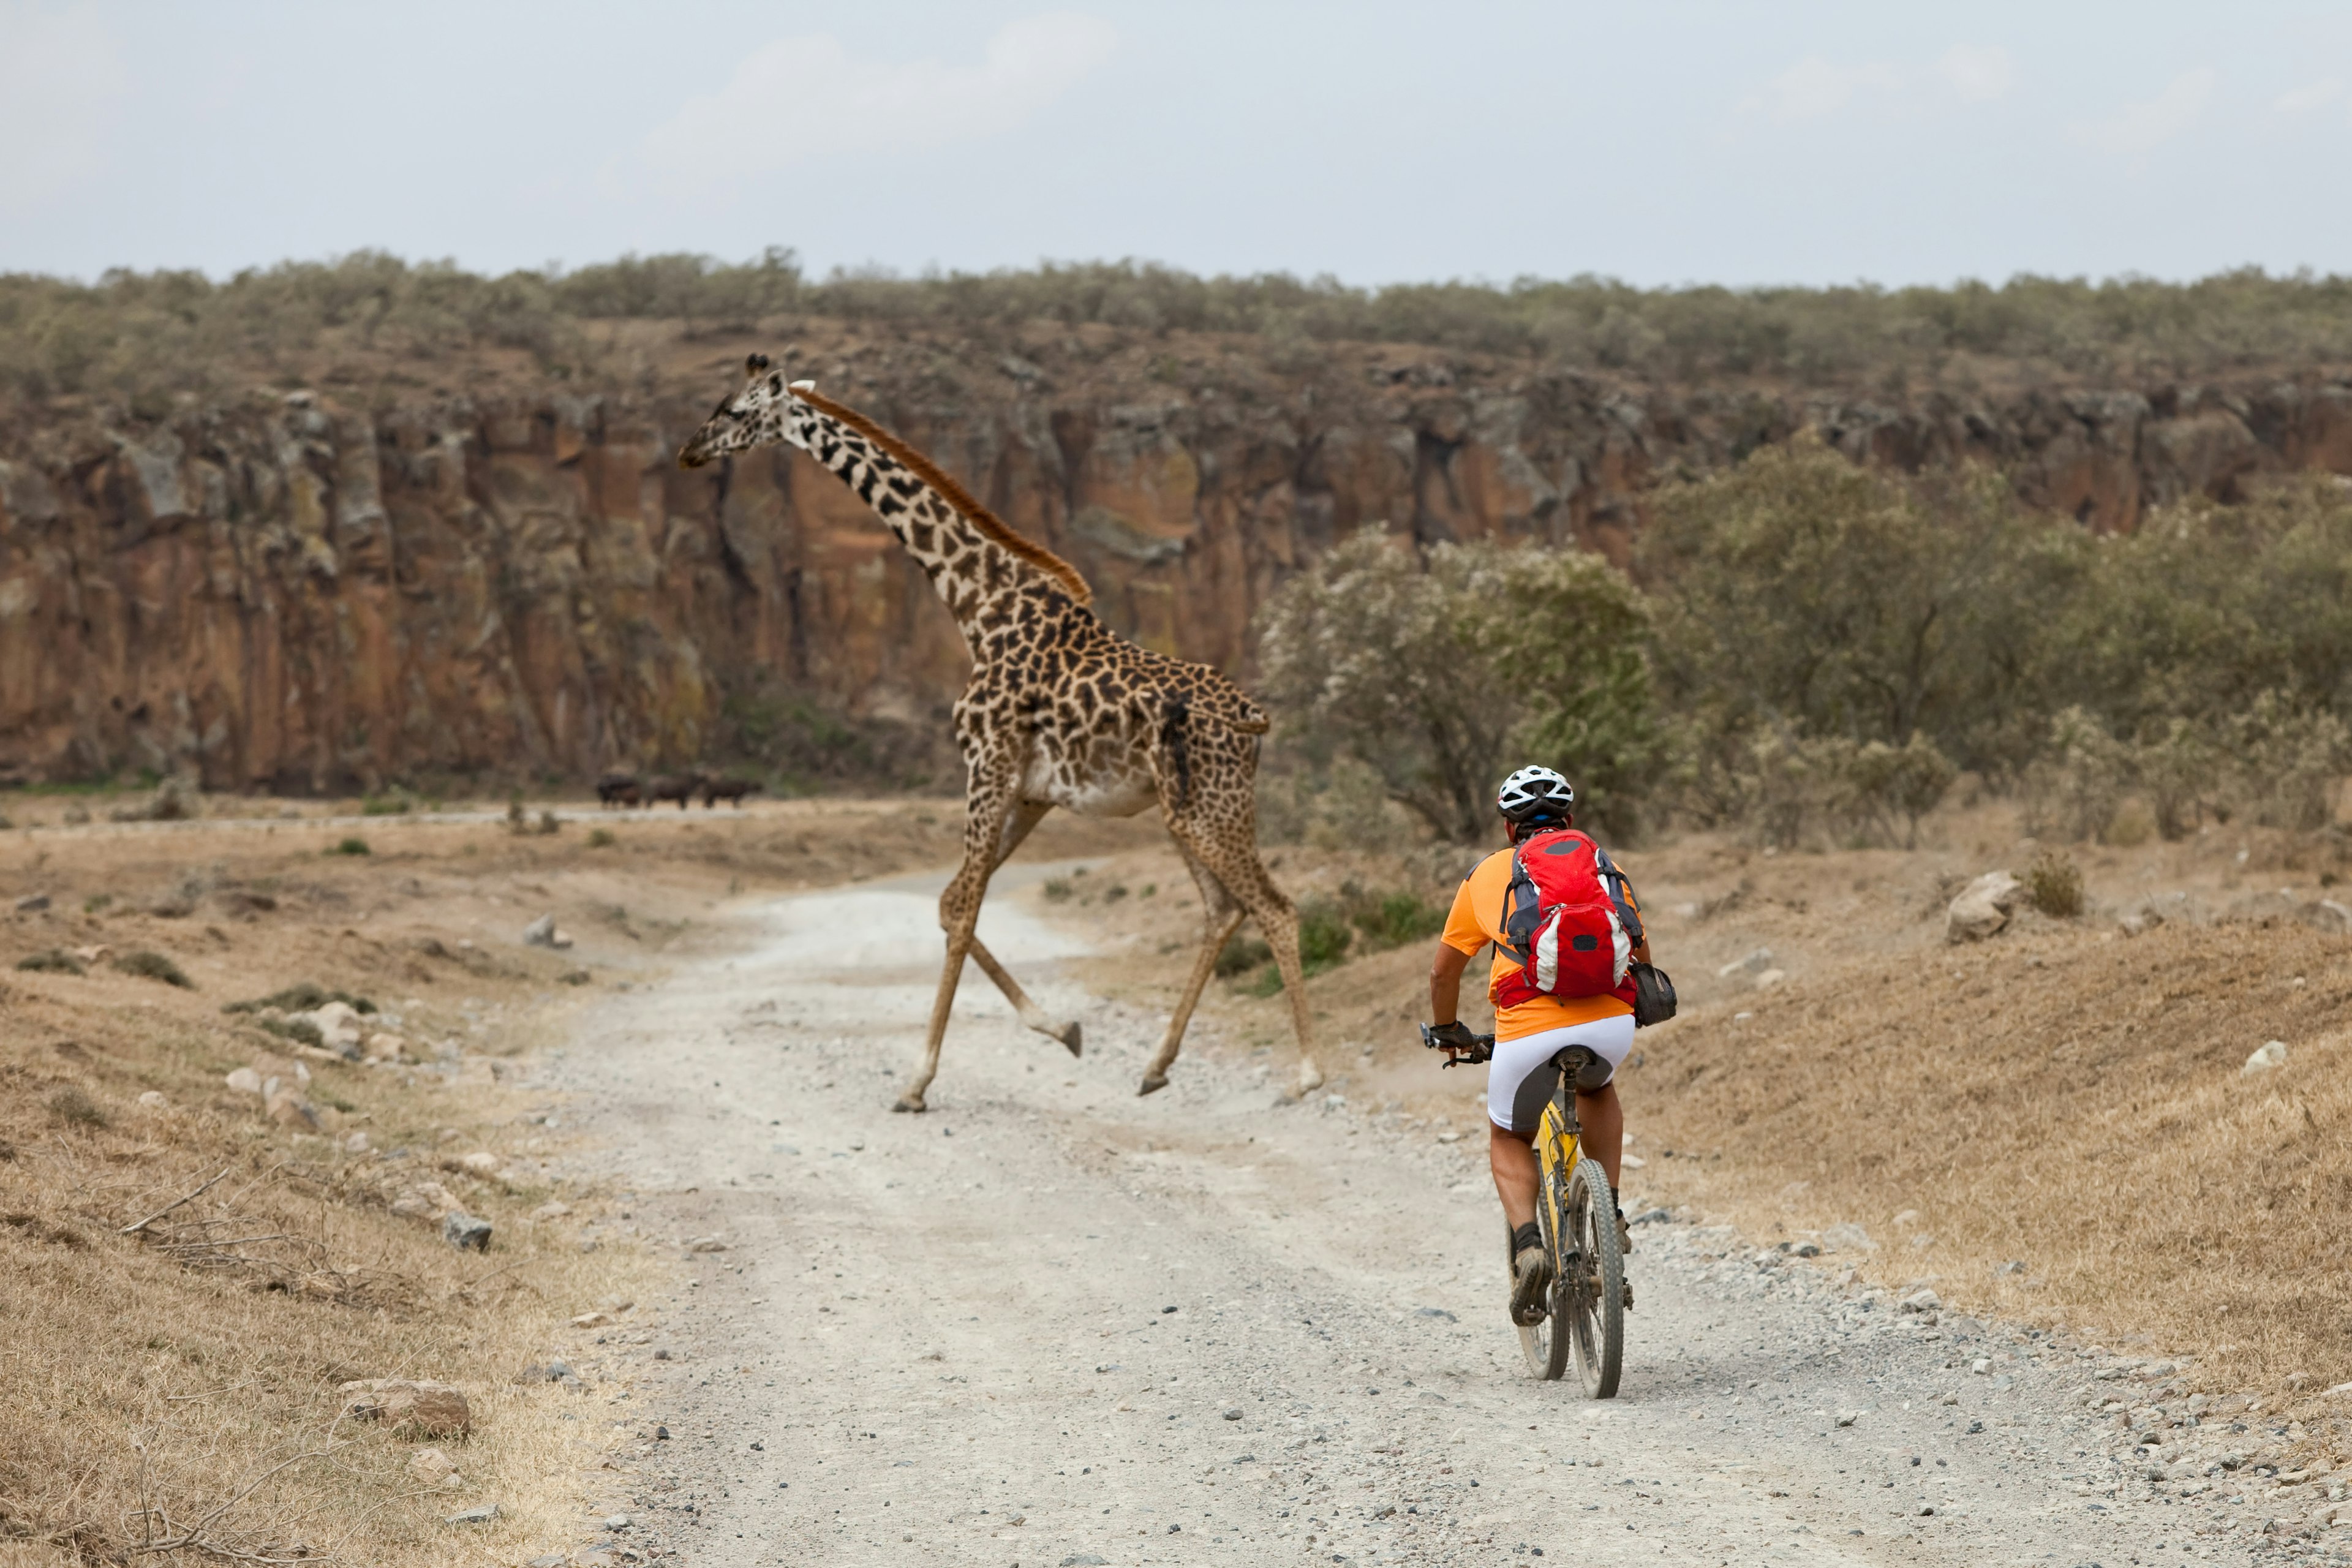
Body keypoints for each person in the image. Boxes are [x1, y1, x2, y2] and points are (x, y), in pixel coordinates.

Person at [1426, 765, 1648, 1321]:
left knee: (1508, 1133)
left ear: (1509, 829)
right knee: (1599, 1091)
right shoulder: (1603, 865)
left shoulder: (1487, 876)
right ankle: (1610, 1211)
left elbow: (1443, 973)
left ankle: (1529, 1247)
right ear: (1570, 822)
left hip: (1527, 1030)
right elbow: (1640, 952)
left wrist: (1450, 1030)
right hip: (1609, 1023)